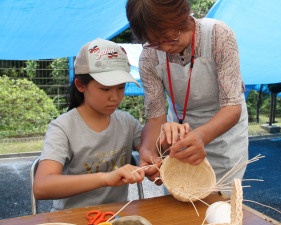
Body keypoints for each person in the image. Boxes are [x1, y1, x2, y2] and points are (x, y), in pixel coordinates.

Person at [126, 0, 249, 191]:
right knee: (181, 198)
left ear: (184, 16)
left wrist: (200, 136)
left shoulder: (218, 35)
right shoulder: (149, 57)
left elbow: (232, 107)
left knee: (220, 204)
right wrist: (147, 149)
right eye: (155, 43)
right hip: (180, 140)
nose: (165, 48)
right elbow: (155, 116)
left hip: (224, 135)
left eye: (170, 38)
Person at [33, 38, 145, 211]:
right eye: (105, 89)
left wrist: (169, 134)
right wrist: (105, 178)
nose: (115, 97)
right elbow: (42, 186)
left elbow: (153, 150)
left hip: (115, 217)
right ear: (80, 85)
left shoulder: (127, 122)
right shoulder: (63, 127)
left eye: (121, 87)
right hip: (71, 218)